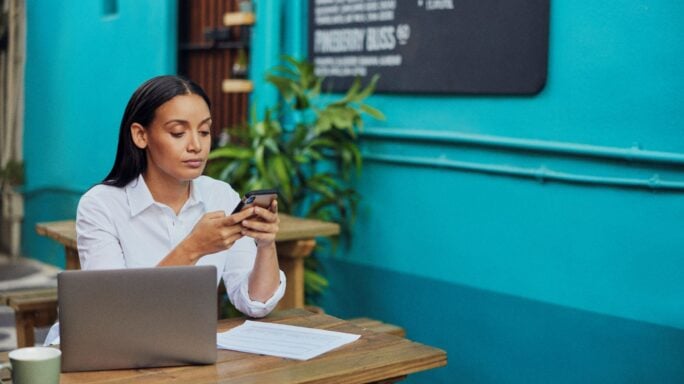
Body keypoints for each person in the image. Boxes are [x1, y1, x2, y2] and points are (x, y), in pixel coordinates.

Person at [44, 75, 285, 345]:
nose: (196, 145)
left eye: (204, 131)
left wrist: (266, 245)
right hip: (105, 349)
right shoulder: (100, 205)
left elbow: (255, 303)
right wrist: (193, 248)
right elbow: (113, 311)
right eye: (178, 133)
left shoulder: (221, 195)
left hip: (182, 346)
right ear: (140, 135)